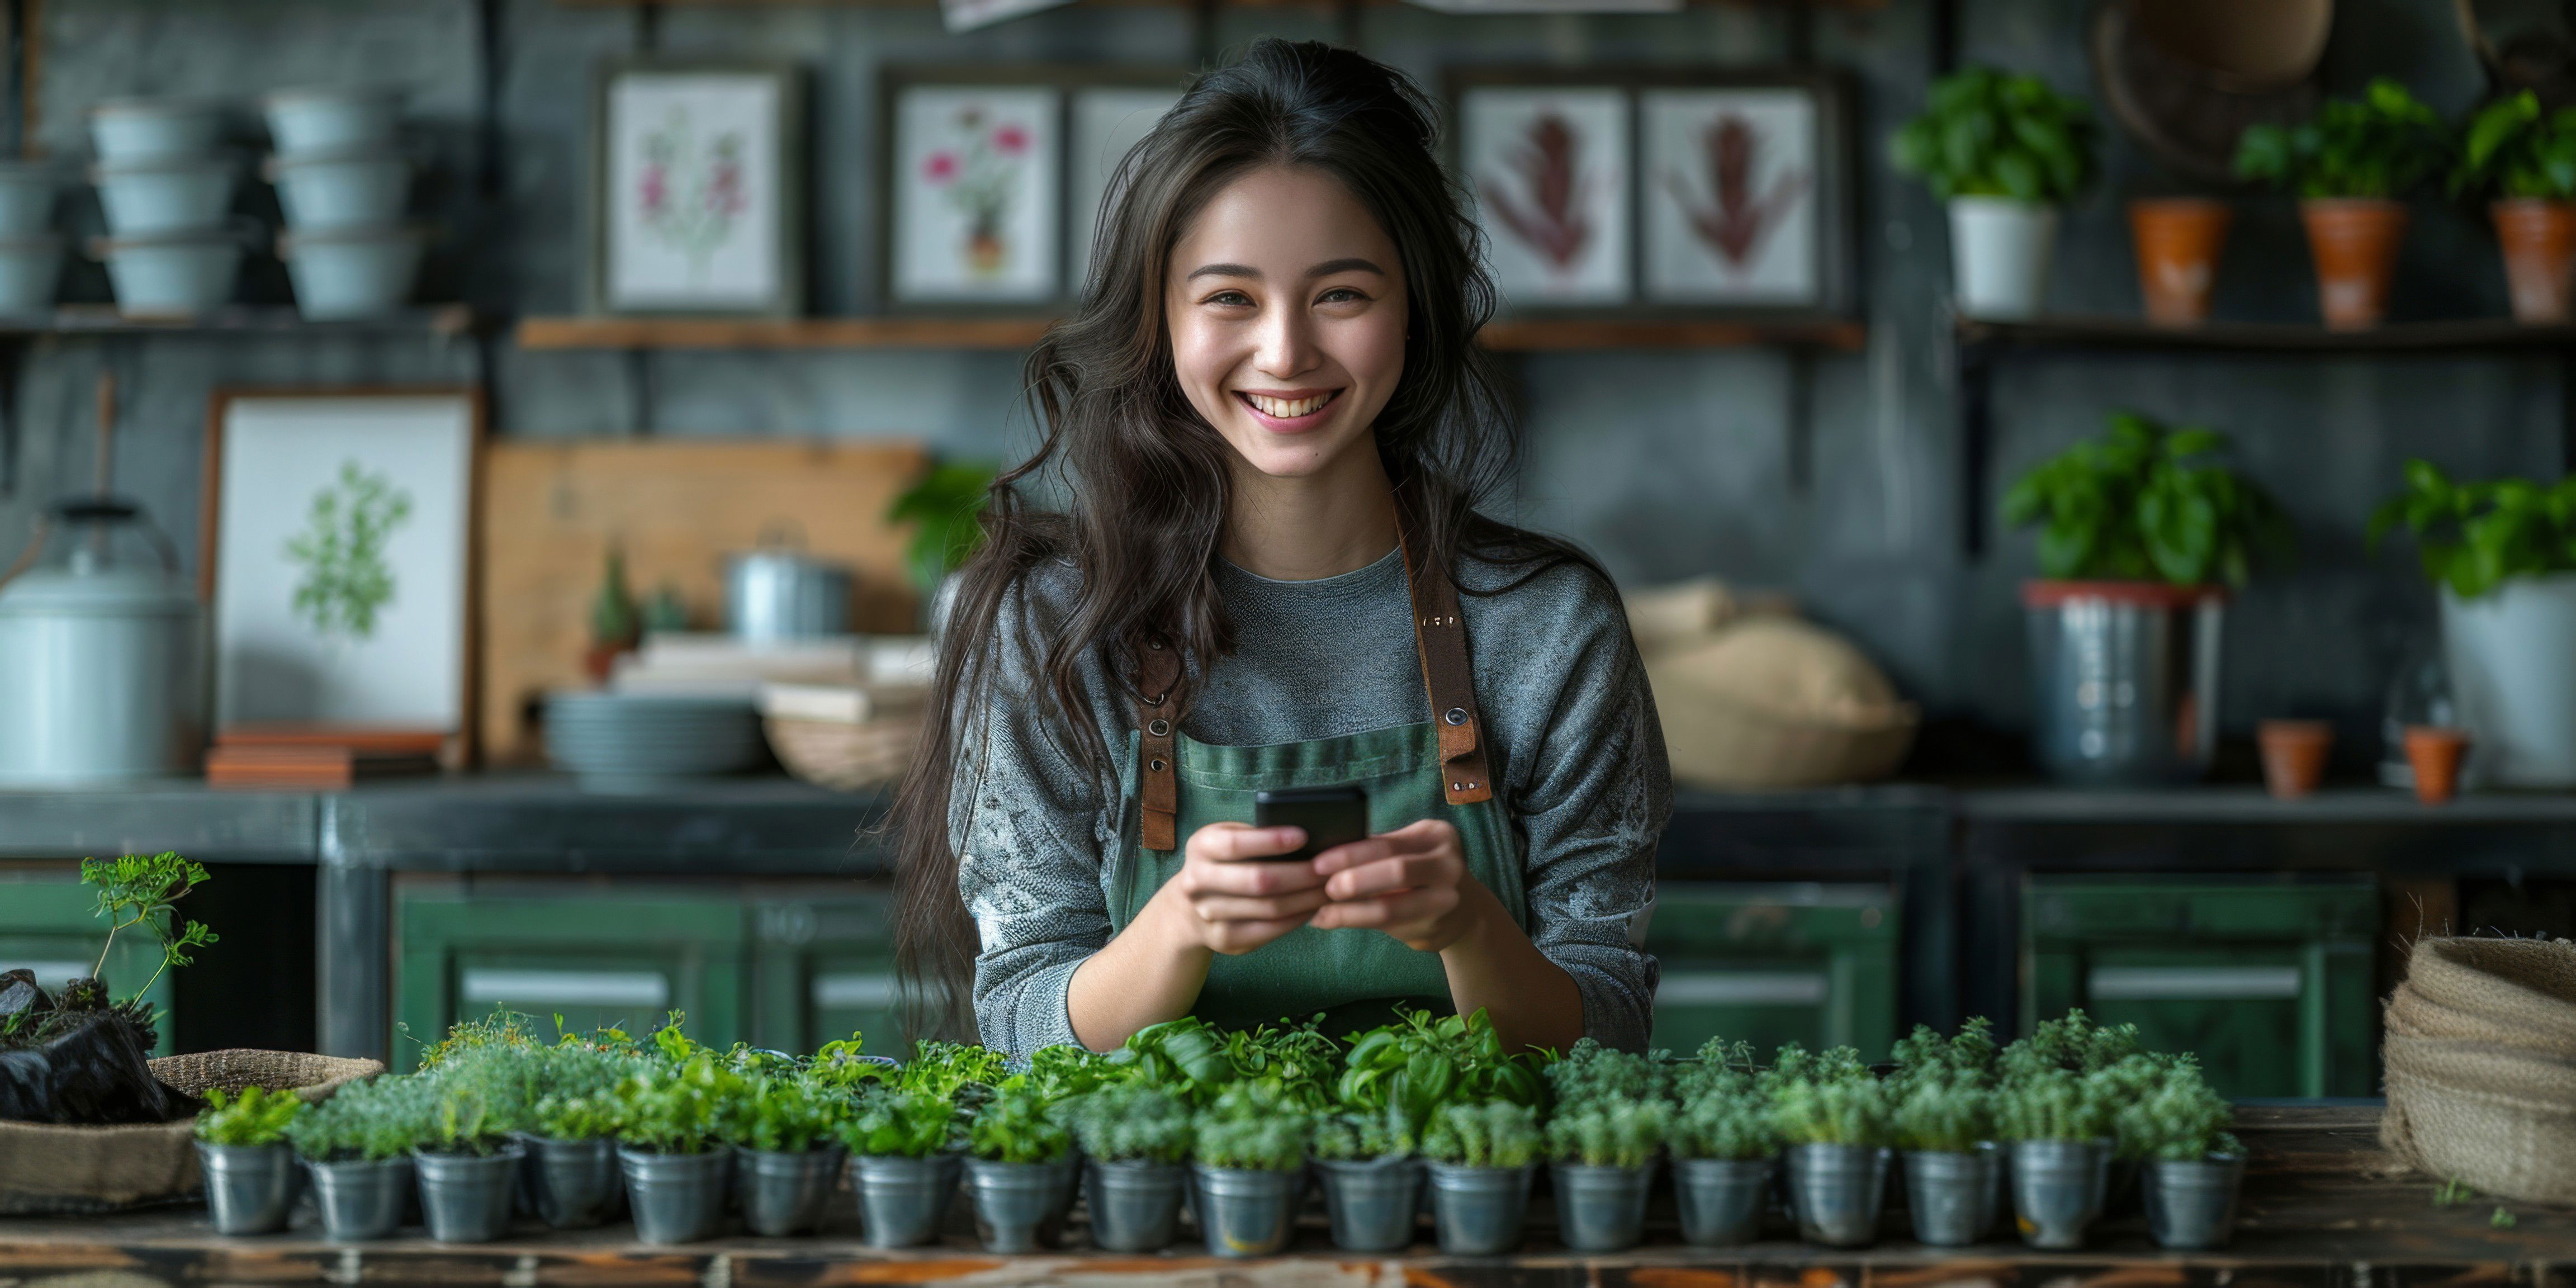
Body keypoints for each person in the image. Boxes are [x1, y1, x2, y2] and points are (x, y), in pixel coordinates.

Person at [889, 37, 1669, 1058]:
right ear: (1159, 321)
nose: (1286, 351)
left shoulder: (1550, 626)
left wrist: (1469, 928)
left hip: (1470, 1200)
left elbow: (1605, 1023)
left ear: (1416, 307)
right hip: (1154, 1207)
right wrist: (1177, 931)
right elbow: (1023, 1023)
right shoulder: (1050, 624)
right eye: (1229, 298)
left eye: (1341, 294)